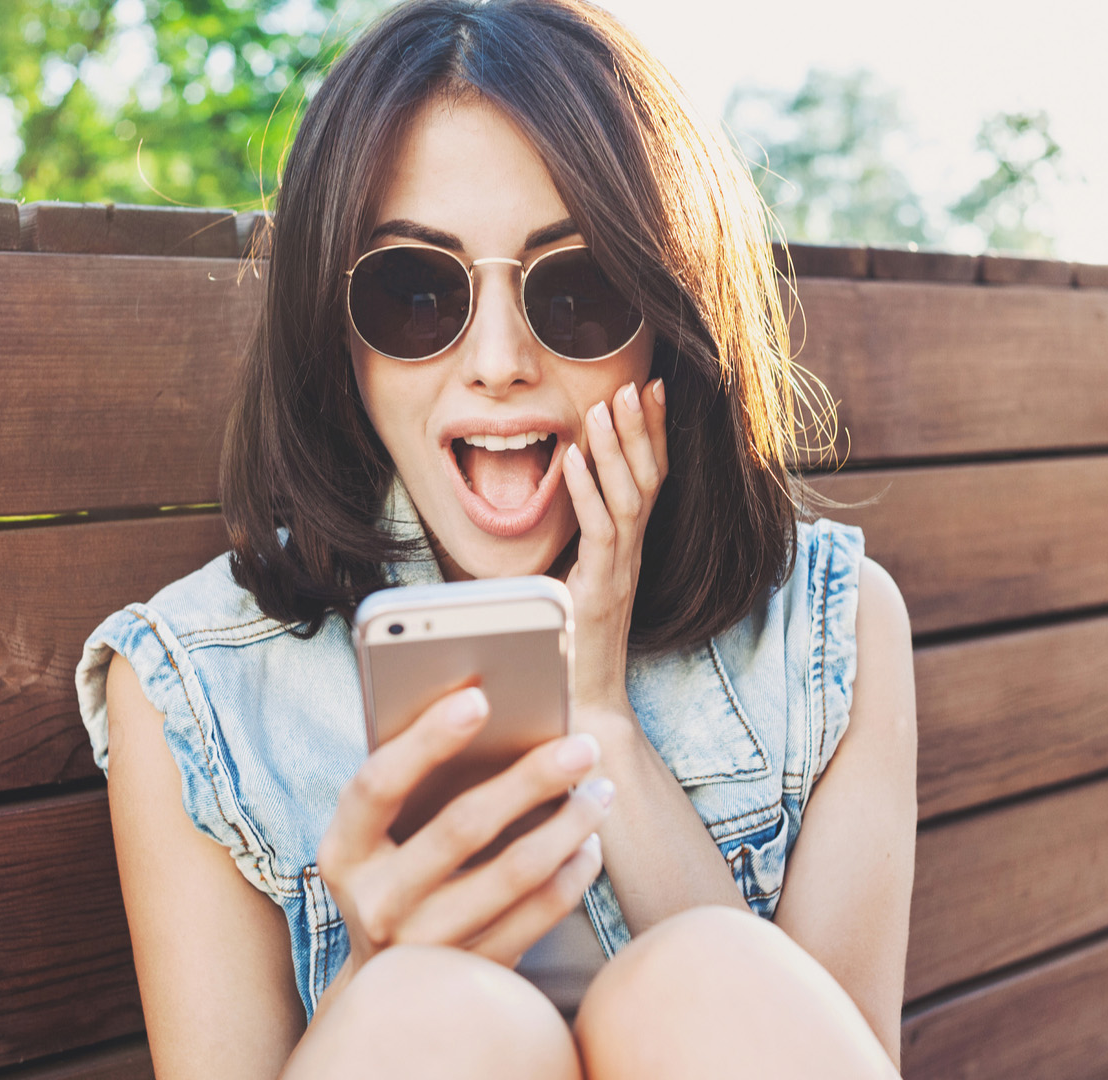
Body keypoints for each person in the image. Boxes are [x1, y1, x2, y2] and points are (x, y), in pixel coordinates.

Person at [74, 1, 917, 1076]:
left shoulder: (829, 628)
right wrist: (383, 965)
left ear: (667, 320)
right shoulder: (195, 690)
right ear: (335, 336)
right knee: (437, 1015)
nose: (500, 360)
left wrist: (601, 718)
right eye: (417, 291)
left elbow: (826, 1045)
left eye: (578, 285)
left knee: (710, 972)